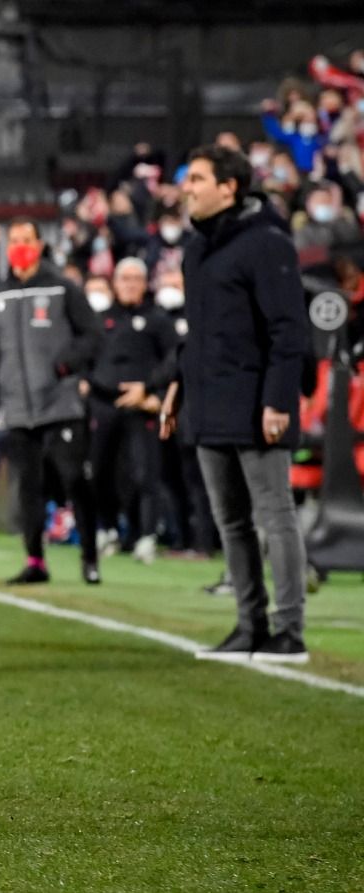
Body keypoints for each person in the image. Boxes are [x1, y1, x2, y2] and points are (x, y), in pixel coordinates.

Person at [163, 145, 310, 664]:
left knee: (276, 518)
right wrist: (178, 386)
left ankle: (289, 631)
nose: (188, 188)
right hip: (209, 402)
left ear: (229, 187)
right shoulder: (197, 249)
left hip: (255, 404)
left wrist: (277, 401)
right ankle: (249, 626)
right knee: (232, 524)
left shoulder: (267, 243)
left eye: (197, 178)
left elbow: (289, 331)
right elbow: (199, 333)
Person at [0, 217, 103, 585]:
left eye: (25, 239)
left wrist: (66, 365)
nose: (19, 245)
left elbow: (93, 334)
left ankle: (90, 557)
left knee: (74, 477)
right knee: (27, 486)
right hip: (17, 407)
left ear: (40, 243)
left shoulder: (63, 288)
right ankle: (35, 560)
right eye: (13, 240)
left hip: (60, 403)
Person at [86, 259, 178, 564]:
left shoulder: (157, 320)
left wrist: (154, 393)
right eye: (124, 278)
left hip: (141, 406)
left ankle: (147, 536)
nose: (129, 284)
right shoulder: (98, 319)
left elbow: (175, 359)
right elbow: (84, 354)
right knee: (101, 471)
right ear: (114, 282)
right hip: (103, 402)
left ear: (145, 283)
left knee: (144, 472)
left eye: (136, 278)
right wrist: (84, 383)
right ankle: (109, 529)